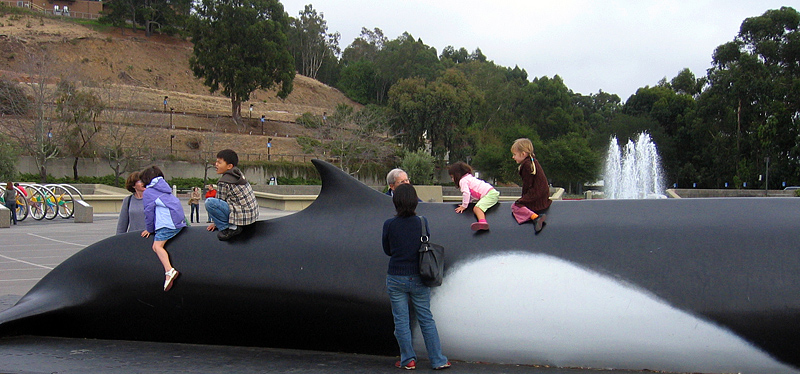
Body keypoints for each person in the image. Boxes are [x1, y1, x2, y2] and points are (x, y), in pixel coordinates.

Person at [382, 183, 451, 371]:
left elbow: (387, 250)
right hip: (420, 277)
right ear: (414, 202)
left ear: (395, 202)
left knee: (401, 321)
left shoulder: (389, 224)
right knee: (426, 318)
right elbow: (425, 243)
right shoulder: (422, 221)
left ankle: (408, 360)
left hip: (396, 277)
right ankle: (438, 360)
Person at [140, 165, 185, 292]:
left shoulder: (149, 192)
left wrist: (149, 229)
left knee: (157, 246)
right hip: (178, 221)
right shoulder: (164, 188)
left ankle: (169, 270)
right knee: (157, 246)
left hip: (168, 224)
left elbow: (148, 212)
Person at [205, 149, 259, 241]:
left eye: (219, 162)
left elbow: (219, 201)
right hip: (251, 215)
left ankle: (229, 228)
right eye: (216, 162)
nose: (216, 164)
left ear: (229, 166)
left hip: (241, 217)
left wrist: (216, 223)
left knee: (210, 203)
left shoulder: (224, 182)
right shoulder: (238, 174)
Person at [511, 138, 551, 233]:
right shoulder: (532, 162)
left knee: (515, 206)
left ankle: (536, 218)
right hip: (543, 197)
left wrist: (522, 200)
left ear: (523, 154)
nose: (513, 157)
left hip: (537, 198)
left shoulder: (526, 165)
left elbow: (527, 185)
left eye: (514, 154)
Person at [449, 161, 500, 231]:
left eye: (452, 177)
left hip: (490, 195)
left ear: (457, 175)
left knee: (477, 208)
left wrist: (464, 206)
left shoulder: (463, 181)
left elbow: (466, 193)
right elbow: (471, 194)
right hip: (491, 193)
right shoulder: (469, 177)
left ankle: (483, 222)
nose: (452, 179)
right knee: (477, 206)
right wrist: (469, 202)